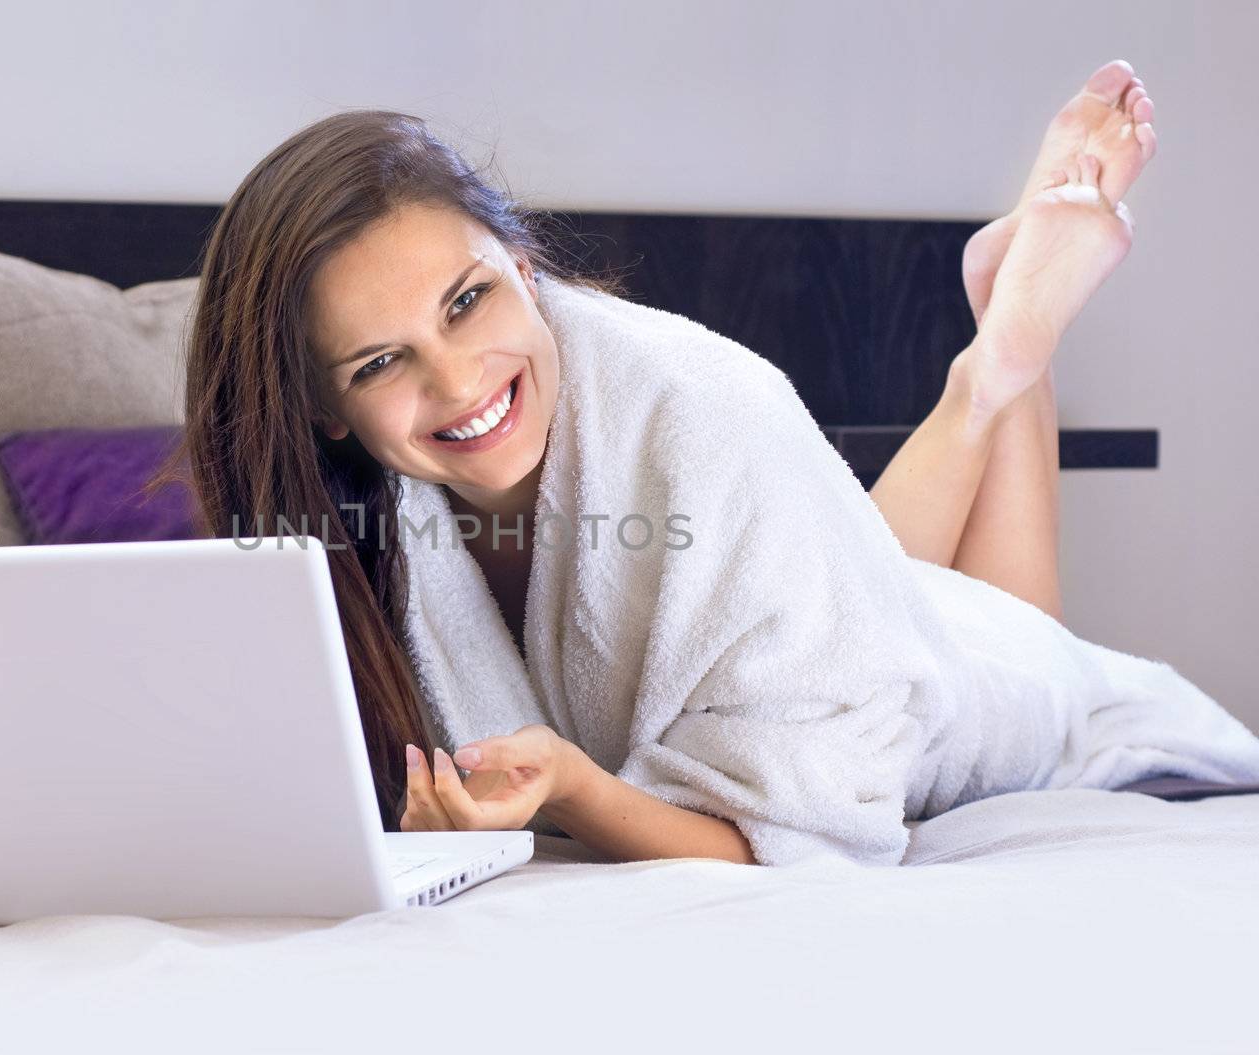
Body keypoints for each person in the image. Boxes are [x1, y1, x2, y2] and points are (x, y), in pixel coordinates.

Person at [153, 61, 1245, 865]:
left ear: (524, 266)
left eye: (467, 298)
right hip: (837, 618)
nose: (455, 382)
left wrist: (576, 791)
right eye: (383, 359)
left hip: (958, 688)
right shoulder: (344, 529)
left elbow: (807, 832)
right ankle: (999, 356)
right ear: (321, 406)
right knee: (873, 573)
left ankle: (1001, 363)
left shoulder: (699, 408)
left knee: (993, 647)